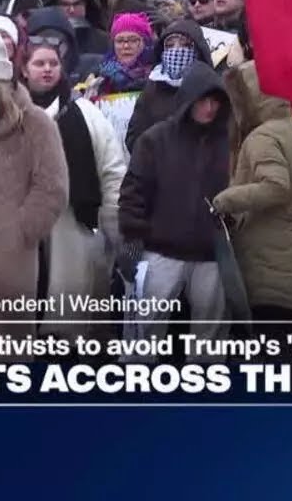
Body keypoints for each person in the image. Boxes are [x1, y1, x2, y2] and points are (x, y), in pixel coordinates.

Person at [0, 32, 68, 353]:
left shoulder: (35, 125)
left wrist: (20, 232)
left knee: (5, 350)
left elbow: (52, 189)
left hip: (9, 261)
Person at [118, 63, 232, 361]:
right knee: (142, 338)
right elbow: (133, 191)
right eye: (203, 100)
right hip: (161, 249)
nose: (209, 108)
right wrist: (132, 237)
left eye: (215, 101)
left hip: (211, 253)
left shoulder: (229, 143)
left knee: (210, 346)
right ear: (189, 99)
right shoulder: (156, 139)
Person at [23, 42, 127, 347]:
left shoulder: (86, 113)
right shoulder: (11, 112)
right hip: (21, 225)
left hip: (72, 223)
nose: (46, 69)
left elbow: (111, 168)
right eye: (39, 64)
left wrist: (113, 221)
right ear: (24, 70)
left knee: (67, 309)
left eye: (52, 63)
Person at [212, 62, 292, 331]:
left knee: (267, 352)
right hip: (288, 257)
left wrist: (226, 200)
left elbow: (277, 187)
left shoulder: (262, 137)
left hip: (267, 263)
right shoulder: (290, 130)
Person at [123, 18, 212, 152]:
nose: (177, 50)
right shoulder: (152, 88)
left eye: (186, 45)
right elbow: (133, 138)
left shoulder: (211, 88)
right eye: (170, 45)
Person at [86, 12, 155, 98]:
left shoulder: (157, 75)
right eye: (119, 41)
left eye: (133, 40)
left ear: (146, 42)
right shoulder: (100, 77)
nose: (126, 46)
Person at [42, 0, 109, 56]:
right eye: (64, 4)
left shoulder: (103, 40)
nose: (71, 10)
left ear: (86, 6)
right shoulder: (42, 40)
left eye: (77, 4)